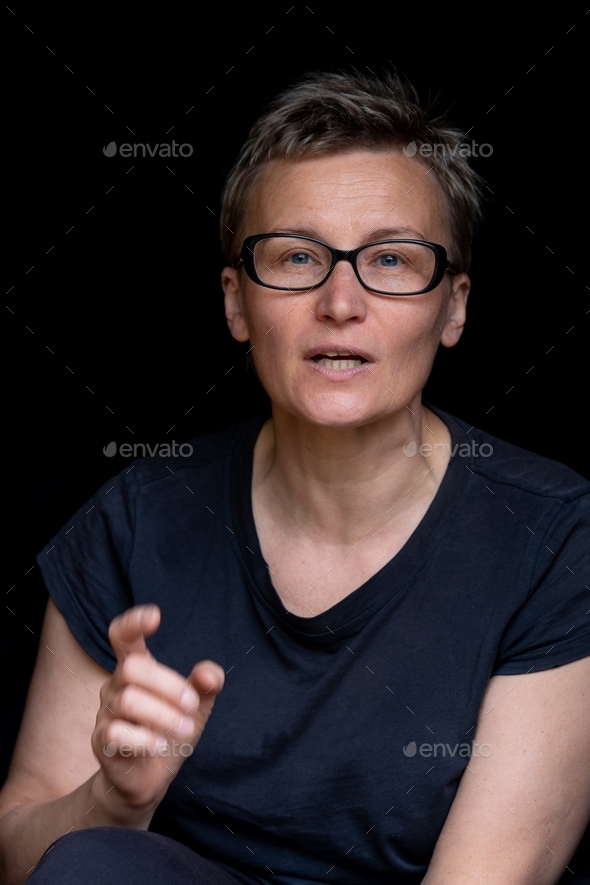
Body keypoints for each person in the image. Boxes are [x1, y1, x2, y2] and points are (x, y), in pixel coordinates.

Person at [0, 70, 588, 885]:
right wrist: (114, 798)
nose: (340, 300)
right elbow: (25, 853)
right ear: (237, 304)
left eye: (390, 258)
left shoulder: (555, 538)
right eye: (297, 257)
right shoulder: (139, 518)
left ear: (453, 308)